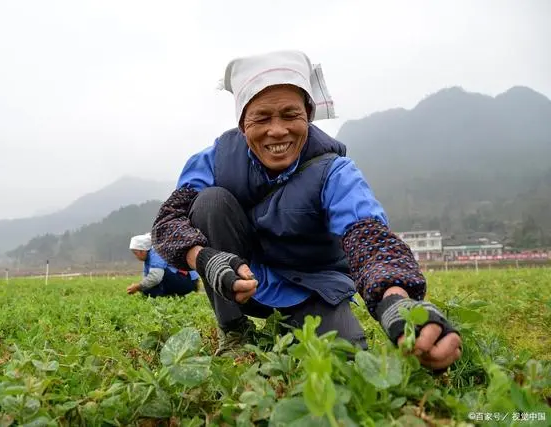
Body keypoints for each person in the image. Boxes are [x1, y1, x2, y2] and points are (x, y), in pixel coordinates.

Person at [151, 50, 462, 369]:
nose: (277, 131)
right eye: (261, 118)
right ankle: (233, 331)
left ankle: (299, 323)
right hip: (243, 285)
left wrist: (398, 301)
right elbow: (168, 222)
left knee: (344, 360)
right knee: (209, 202)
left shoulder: (335, 172)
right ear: (243, 124)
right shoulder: (214, 159)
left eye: (290, 115)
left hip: (313, 289)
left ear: (308, 116)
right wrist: (205, 258)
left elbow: (368, 236)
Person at [126, 233, 199, 298]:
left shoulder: (156, 253)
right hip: (177, 279)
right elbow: (146, 279)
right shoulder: (147, 260)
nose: (136, 256)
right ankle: (170, 296)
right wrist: (141, 288)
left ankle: (173, 294)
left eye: (135, 253)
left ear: (142, 251)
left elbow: (156, 277)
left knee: (161, 274)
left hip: (187, 280)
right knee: (146, 291)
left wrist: (138, 287)